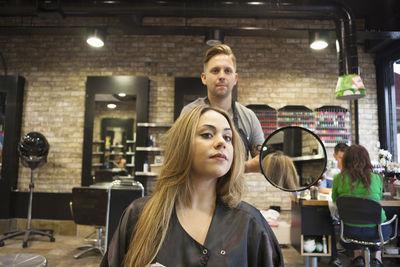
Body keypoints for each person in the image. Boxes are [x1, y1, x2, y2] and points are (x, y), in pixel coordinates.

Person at [101, 106, 283, 267]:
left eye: (228, 137)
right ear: (182, 145)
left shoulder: (250, 223)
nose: (221, 142)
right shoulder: (139, 215)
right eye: (207, 134)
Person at [181, 44, 264, 173]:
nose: (221, 76)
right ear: (204, 78)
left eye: (227, 71)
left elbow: (262, 160)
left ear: (235, 78)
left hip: (234, 192)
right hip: (199, 191)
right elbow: (181, 156)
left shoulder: (248, 117)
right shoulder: (190, 113)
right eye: (215, 71)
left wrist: (239, 168)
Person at [332, 145, 390, 267]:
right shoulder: (377, 178)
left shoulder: (338, 178)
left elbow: (335, 200)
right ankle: (377, 259)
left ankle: (358, 257)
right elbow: (377, 198)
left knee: (355, 222)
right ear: (367, 160)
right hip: (377, 232)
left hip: (349, 232)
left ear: (346, 160)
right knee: (375, 222)